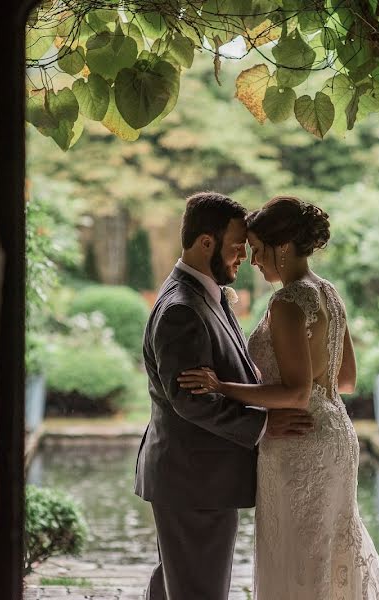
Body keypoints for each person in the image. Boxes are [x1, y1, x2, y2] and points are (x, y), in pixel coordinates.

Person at [179, 196, 379, 599]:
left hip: (298, 441)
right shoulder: (327, 292)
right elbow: (344, 379)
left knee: (298, 552)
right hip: (334, 431)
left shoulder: (287, 302)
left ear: (282, 248)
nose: (253, 261)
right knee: (328, 546)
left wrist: (222, 387)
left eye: (258, 251)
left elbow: (295, 394)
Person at [134, 191, 314, 600]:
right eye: (236, 247)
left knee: (177, 585)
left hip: (196, 479)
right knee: (199, 590)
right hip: (194, 480)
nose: (242, 257)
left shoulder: (205, 294)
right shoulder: (182, 307)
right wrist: (265, 424)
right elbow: (191, 400)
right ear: (205, 243)